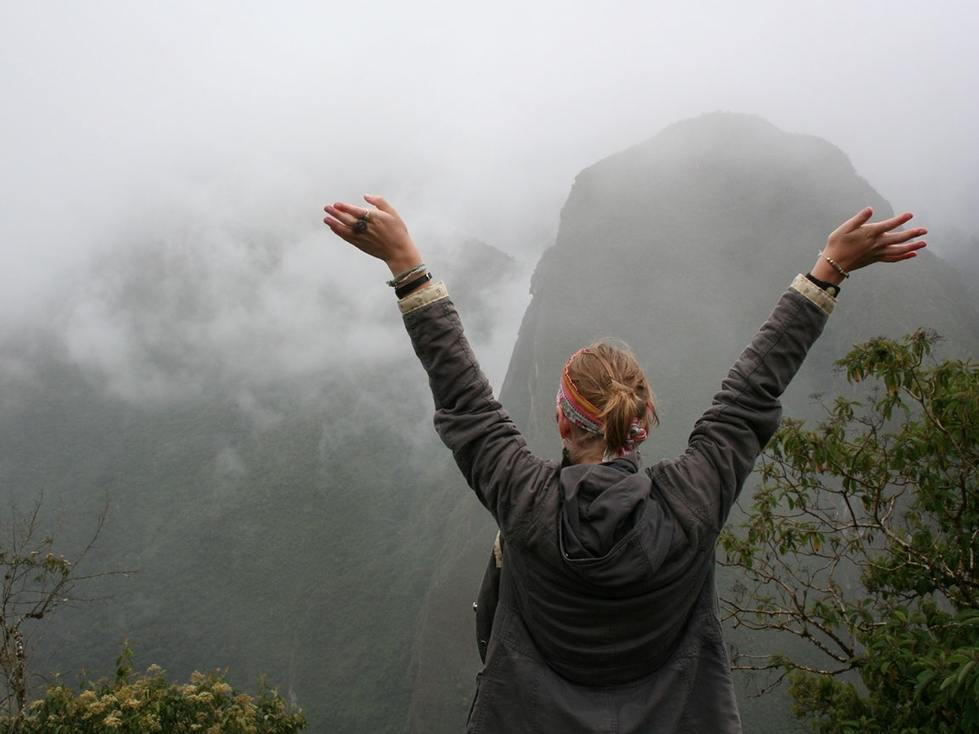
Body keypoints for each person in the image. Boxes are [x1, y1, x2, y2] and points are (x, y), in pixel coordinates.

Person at [323, 196, 927, 733]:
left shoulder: (525, 501)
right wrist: (831, 268)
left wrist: (406, 264)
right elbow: (752, 394)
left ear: (562, 420)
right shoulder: (692, 501)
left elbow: (464, 400)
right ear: (643, 421)